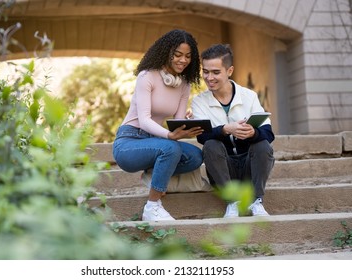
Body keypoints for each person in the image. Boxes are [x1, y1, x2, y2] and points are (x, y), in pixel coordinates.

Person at [112, 29, 204, 221]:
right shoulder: (147, 76)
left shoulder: (184, 84)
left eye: (188, 56)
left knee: (195, 156)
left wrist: (186, 125)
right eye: (177, 55)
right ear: (166, 53)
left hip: (157, 141)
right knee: (170, 148)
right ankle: (152, 206)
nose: (183, 60)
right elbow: (144, 119)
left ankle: (155, 176)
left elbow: (175, 124)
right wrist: (170, 136)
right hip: (130, 141)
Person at [191, 44, 275, 218]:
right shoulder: (199, 101)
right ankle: (232, 203)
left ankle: (256, 200)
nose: (209, 77)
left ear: (229, 71)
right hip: (222, 170)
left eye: (215, 72)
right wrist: (225, 129)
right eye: (205, 71)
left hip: (248, 168)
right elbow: (202, 137)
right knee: (211, 145)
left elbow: (268, 132)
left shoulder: (248, 96)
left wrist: (253, 133)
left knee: (263, 145)